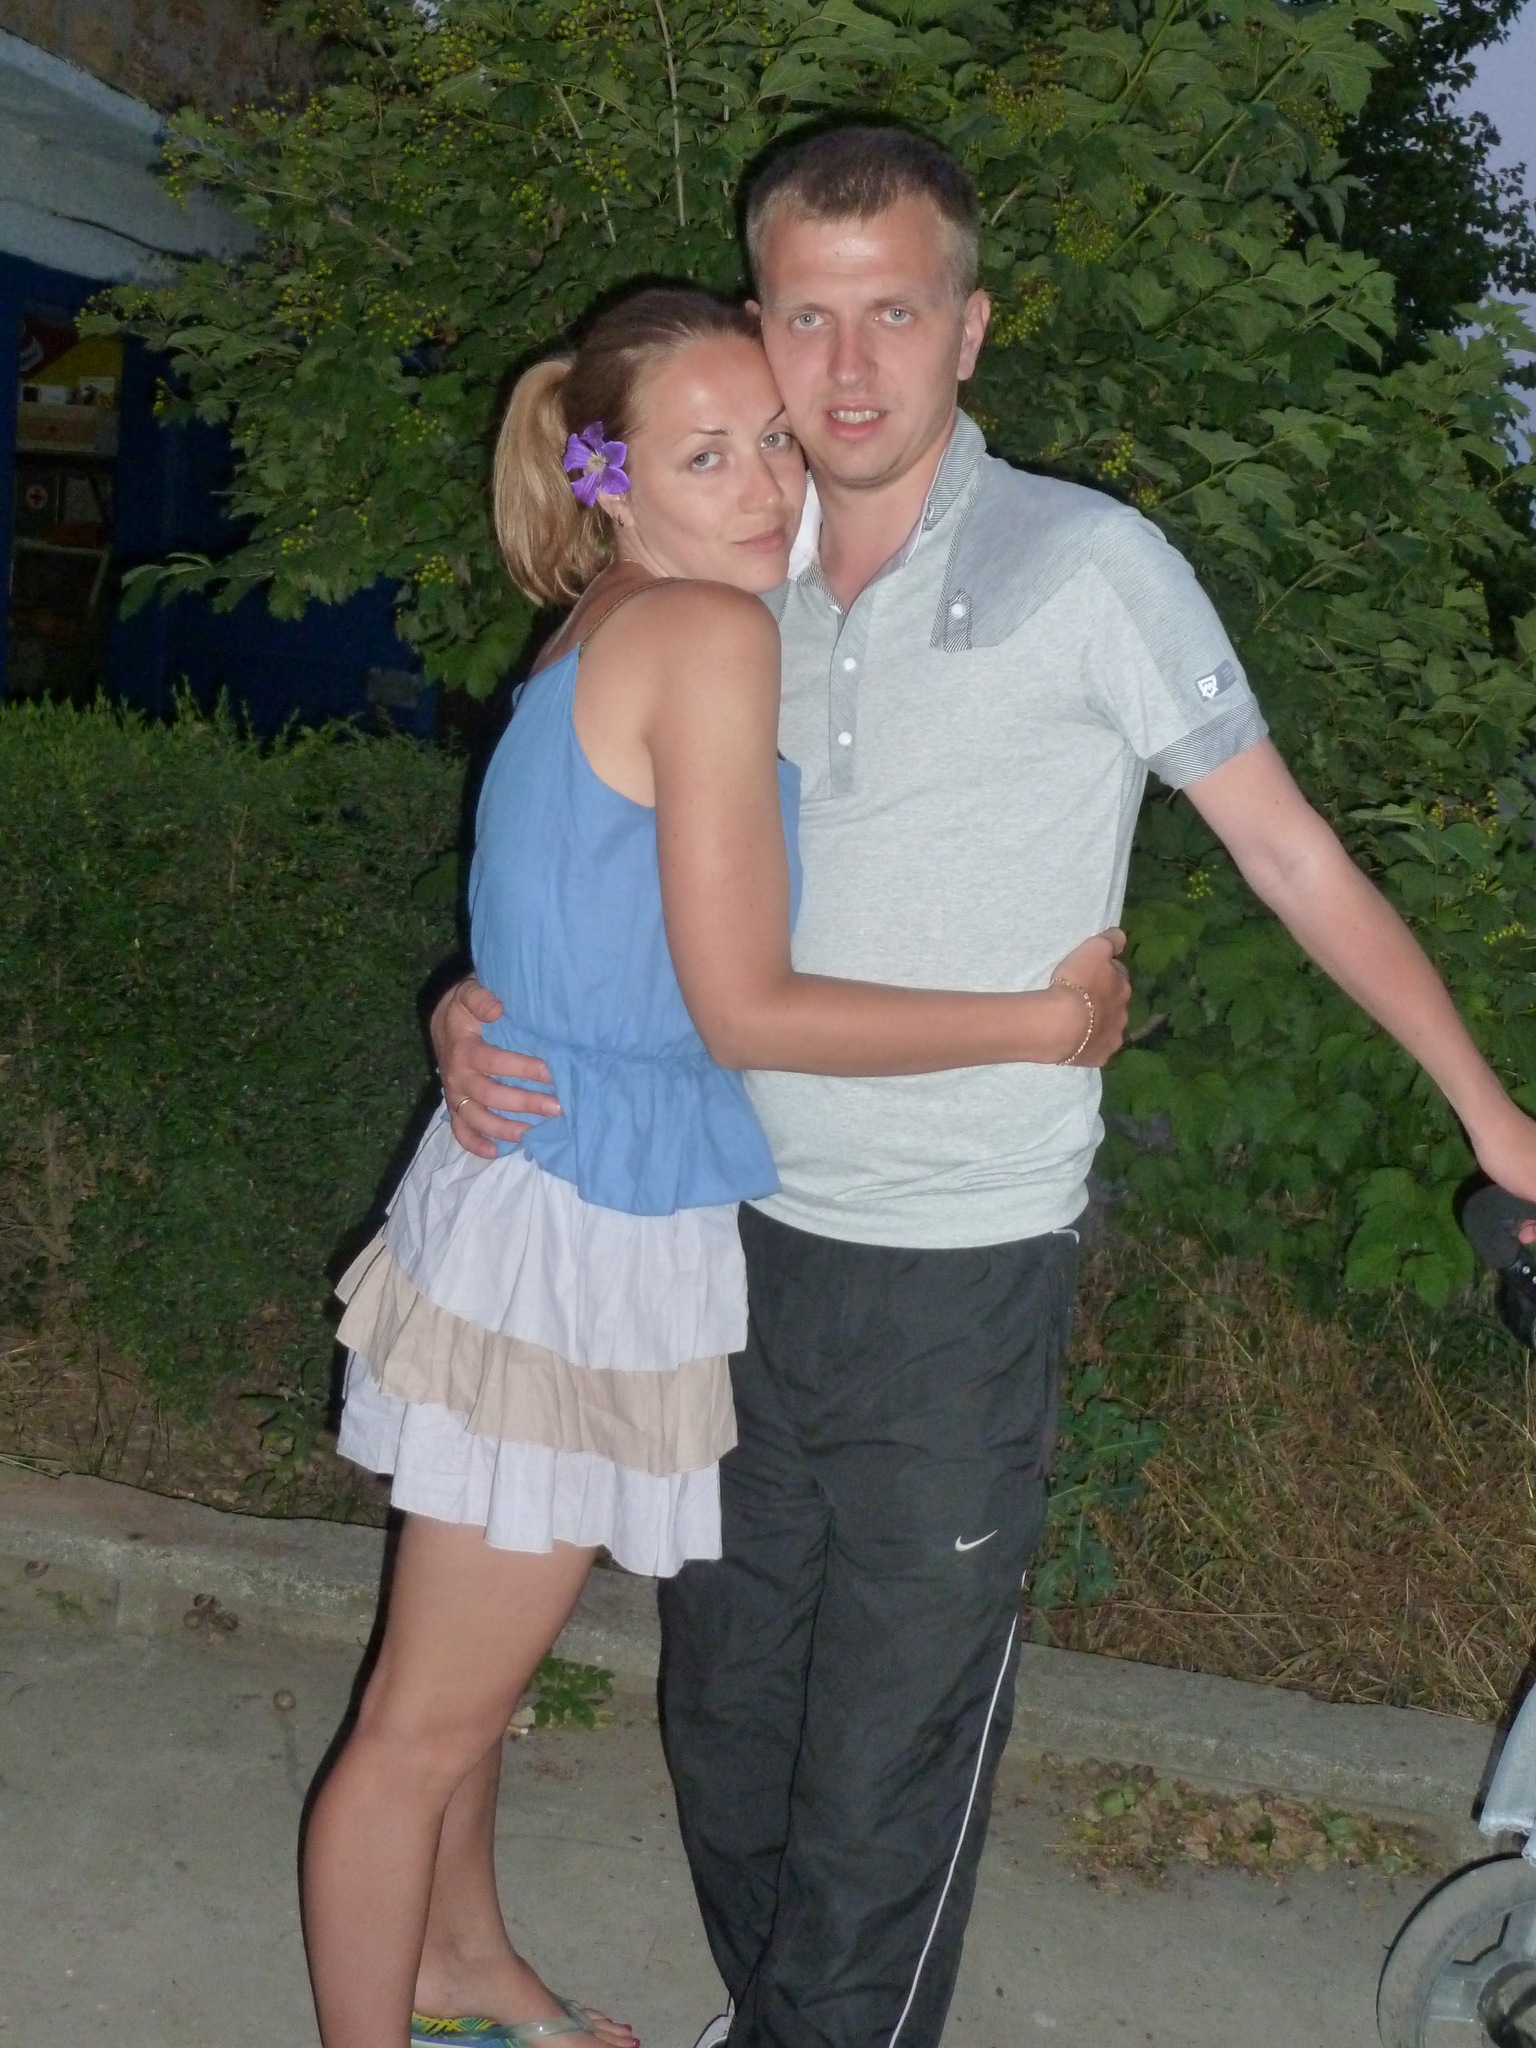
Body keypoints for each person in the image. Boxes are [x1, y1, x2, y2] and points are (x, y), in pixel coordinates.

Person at [432, 129, 1536, 2048]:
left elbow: (1287, 850)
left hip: (959, 1266)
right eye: (808, 319)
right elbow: (584, 822)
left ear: (971, 329)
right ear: (760, 327)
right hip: (722, 1237)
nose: (849, 368)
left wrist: (1496, 1118)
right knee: (727, 1717)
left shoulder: (1088, 567)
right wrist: (481, 1000)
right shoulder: (726, 551)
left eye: (897, 314)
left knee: (888, 1768)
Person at [304, 285, 1131, 2048]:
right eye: (708, 455)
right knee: (421, 1728)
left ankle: (464, 1966)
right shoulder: (705, 634)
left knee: (467, 1685)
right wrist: (1044, 1022)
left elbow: (563, 923)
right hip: (576, 1228)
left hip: (542, 1193)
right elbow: (746, 1004)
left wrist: (465, 1005)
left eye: (773, 442)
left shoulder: (604, 619)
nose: (765, 485)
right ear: (610, 481)